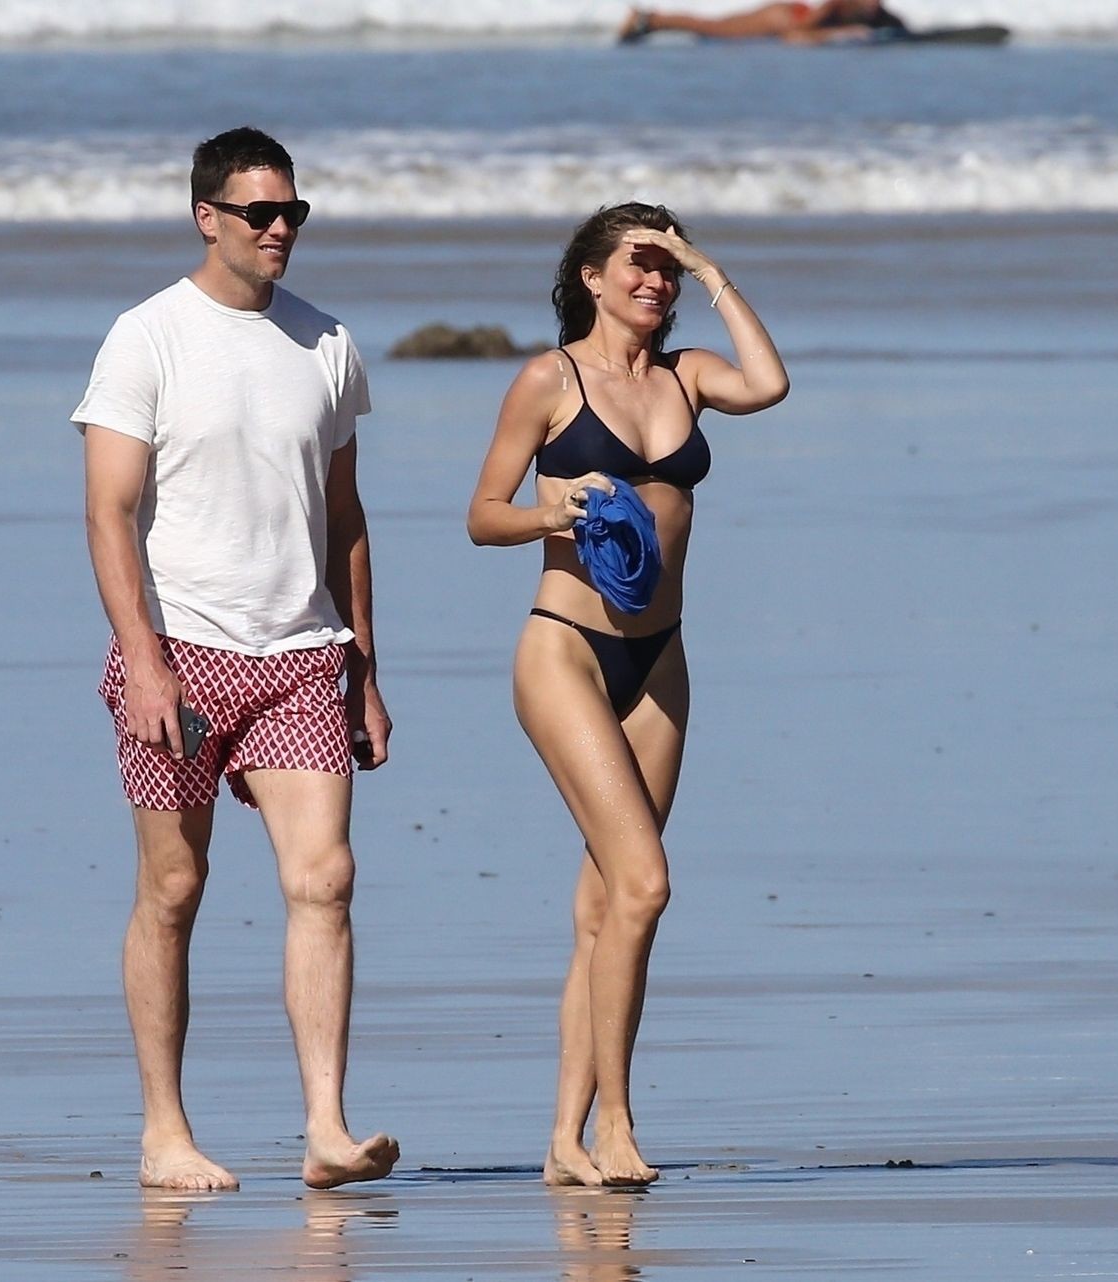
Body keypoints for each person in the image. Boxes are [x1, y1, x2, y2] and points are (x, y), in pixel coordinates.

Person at [74, 126, 398, 1192]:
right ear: (206, 216)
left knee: (325, 878)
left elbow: (346, 516)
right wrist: (144, 660)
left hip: (301, 653)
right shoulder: (147, 338)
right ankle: (164, 1132)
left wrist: (364, 667)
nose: (279, 229)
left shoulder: (326, 342)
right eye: (260, 213)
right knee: (174, 887)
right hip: (181, 653)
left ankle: (326, 1130)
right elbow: (109, 512)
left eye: (292, 212)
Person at [465, 204, 789, 1185]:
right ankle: (616, 1124)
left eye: (667, 268)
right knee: (645, 883)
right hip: (566, 650)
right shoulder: (549, 380)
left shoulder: (690, 376)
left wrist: (710, 267)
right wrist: (549, 513)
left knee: (609, 903)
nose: (656, 281)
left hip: (660, 660)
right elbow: (482, 514)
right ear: (592, 278)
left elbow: (770, 384)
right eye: (638, 264)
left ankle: (565, 1141)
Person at [619, 0, 907, 43]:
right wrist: (844, 33)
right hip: (781, 19)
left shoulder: (877, 12)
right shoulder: (835, 7)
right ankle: (648, 19)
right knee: (710, 27)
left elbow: (902, 28)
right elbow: (796, 36)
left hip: (787, 15)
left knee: (711, 26)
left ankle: (647, 20)